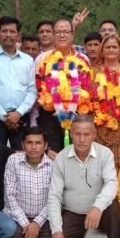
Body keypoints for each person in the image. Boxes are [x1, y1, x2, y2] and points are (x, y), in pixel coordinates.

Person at [47, 114, 120, 238]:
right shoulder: (61, 158)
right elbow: (54, 195)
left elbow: (112, 183)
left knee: (113, 207)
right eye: (78, 134)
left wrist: (97, 207)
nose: (82, 139)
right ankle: (78, 237)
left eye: (86, 134)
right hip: (73, 211)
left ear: (94, 135)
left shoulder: (105, 154)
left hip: (99, 211)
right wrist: (56, 230)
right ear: (71, 134)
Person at [35, 19, 92, 156]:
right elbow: (39, 86)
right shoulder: (44, 60)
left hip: (77, 115)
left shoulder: (82, 59)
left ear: (72, 35)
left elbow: (88, 87)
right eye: (58, 32)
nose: (62, 35)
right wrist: (53, 103)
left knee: (77, 155)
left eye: (66, 32)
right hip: (50, 116)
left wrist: (74, 105)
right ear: (53, 35)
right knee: (53, 157)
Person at [0, 16, 36, 151]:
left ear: (18, 35)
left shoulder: (27, 60)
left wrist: (18, 113)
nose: (8, 35)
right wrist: (4, 117)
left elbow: (32, 90)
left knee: (22, 156)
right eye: (4, 31)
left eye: (12, 31)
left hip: (21, 117)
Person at [1, 127, 53, 238]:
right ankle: (29, 236)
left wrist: (37, 223)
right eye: (29, 143)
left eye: (38, 143)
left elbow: (54, 199)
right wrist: (25, 224)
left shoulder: (53, 164)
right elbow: (9, 196)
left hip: (44, 219)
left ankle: (33, 237)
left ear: (45, 145)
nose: (33, 147)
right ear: (23, 144)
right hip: (19, 218)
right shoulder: (13, 160)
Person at [90, 34, 120, 170]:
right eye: (108, 47)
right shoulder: (94, 71)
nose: (111, 50)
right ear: (102, 50)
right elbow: (87, 100)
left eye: (114, 47)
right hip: (99, 130)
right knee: (100, 169)